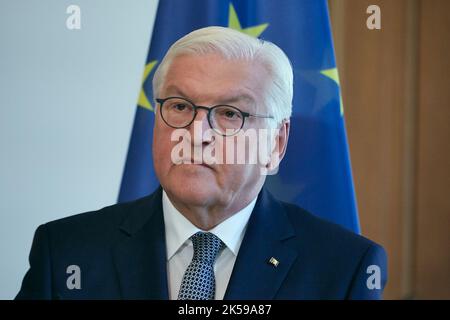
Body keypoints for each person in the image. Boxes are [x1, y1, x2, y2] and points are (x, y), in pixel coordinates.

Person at [16, 26, 387, 300]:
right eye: (180, 106)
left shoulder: (344, 269)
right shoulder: (65, 253)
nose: (197, 133)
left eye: (229, 113)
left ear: (276, 144)